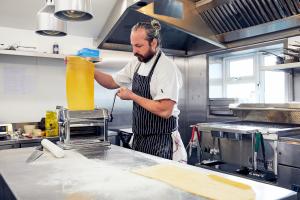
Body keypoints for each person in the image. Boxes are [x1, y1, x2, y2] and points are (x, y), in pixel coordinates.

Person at [94, 20, 187, 162]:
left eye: (138, 46)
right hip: (140, 140)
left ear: (153, 43)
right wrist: (89, 71)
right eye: (132, 46)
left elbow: (165, 110)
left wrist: (132, 96)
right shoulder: (137, 63)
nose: (134, 51)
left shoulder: (166, 68)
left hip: (162, 142)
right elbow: (112, 82)